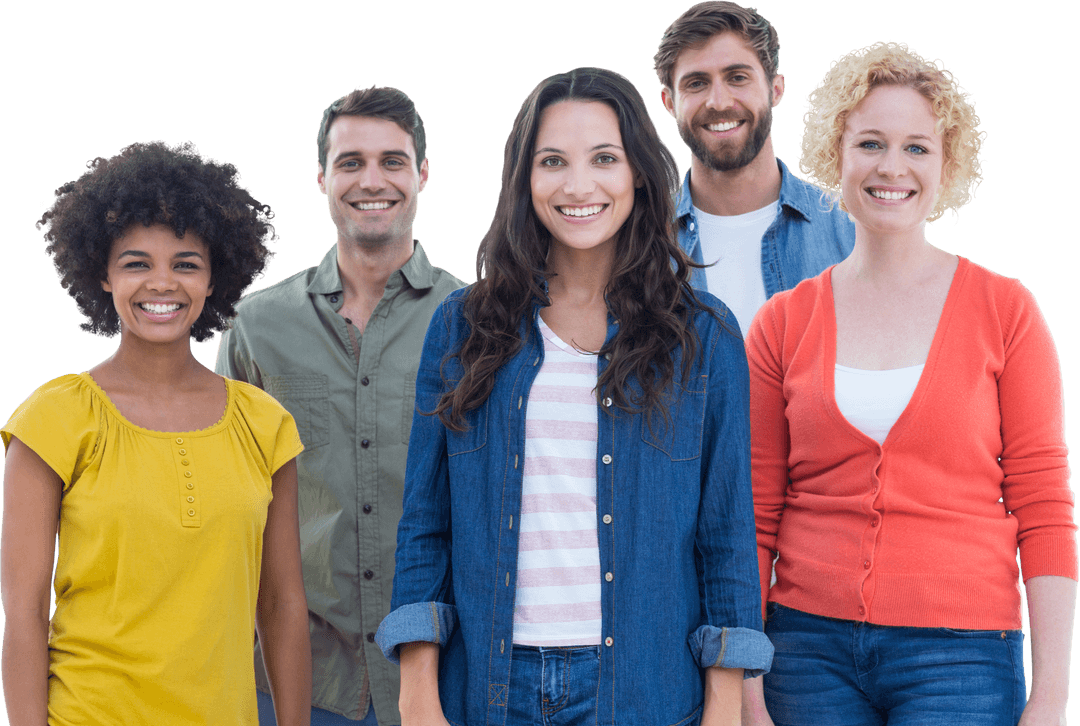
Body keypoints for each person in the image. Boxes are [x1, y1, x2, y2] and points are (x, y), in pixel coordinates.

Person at [375, 67, 772, 726]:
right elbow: (425, 524)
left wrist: (725, 704)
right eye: (553, 161)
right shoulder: (462, 326)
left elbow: (724, 537)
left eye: (604, 159)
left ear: (638, 175)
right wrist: (418, 696)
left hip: (644, 690)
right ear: (524, 180)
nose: (579, 185)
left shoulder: (703, 337)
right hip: (491, 689)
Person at [746, 42, 1077, 726]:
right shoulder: (782, 323)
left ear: (946, 163)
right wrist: (747, 687)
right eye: (870, 143)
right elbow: (752, 518)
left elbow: (1044, 509)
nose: (891, 168)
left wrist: (1049, 698)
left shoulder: (1006, 311)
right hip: (806, 653)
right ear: (835, 154)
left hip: (962, 658)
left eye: (917, 148)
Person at [0, 140, 311, 726]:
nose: (161, 284)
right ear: (104, 274)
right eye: (136, 263)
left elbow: (283, 607)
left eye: (185, 264)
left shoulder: (264, 424)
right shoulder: (56, 419)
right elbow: (22, 614)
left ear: (215, 276)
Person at [215, 86, 466, 725]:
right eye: (351, 162)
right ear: (322, 177)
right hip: (295, 684)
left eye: (393, 161)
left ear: (423, 175)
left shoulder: (480, 322)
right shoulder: (256, 326)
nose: (371, 180)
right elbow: (228, 505)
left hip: (443, 682)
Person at [653, 0, 855, 333]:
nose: (719, 101)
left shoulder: (849, 230)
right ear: (670, 103)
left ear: (775, 89)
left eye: (737, 77)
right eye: (696, 83)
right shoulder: (641, 240)